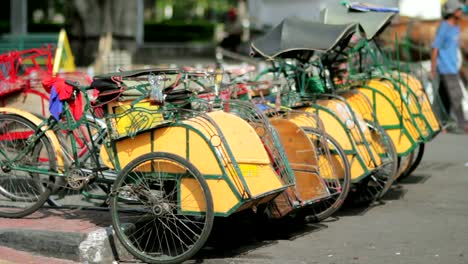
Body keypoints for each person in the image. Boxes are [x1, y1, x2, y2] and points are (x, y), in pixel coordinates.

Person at [431, 0, 468, 132]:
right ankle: (462, 124)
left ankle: (440, 123)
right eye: (458, 10)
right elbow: (435, 48)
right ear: (452, 12)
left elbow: (455, 47)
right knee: (456, 96)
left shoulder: (455, 28)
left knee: (443, 97)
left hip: (453, 67)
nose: (461, 12)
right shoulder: (444, 27)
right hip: (446, 68)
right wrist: (433, 68)